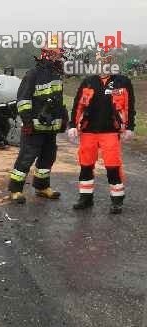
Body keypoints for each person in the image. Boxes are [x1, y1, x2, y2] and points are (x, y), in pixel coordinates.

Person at [68, 50, 136, 214]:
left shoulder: (123, 82)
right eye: (99, 61)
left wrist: (130, 128)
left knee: (113, 165)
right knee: (86, 165)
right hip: (88, 131)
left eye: (106, 60)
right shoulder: (88, 81)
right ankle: (85, 198)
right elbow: (78, 105)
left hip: (111, 131)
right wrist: (72, 125)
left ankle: (117, 200)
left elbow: (130, 106)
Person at [8, 45, 68, 203]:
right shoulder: (33, 74)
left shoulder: (57, 74)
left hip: (51, 127)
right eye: (57, 54)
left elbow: (58, 101)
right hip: (34, 127)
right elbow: (23, 101)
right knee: (26, 158)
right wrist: (27, 122)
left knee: (48, 158)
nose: (60, 57)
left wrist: (63, 119)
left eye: (61, 54)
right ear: (47, 54)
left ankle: (42, 187)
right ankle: (15, 190)